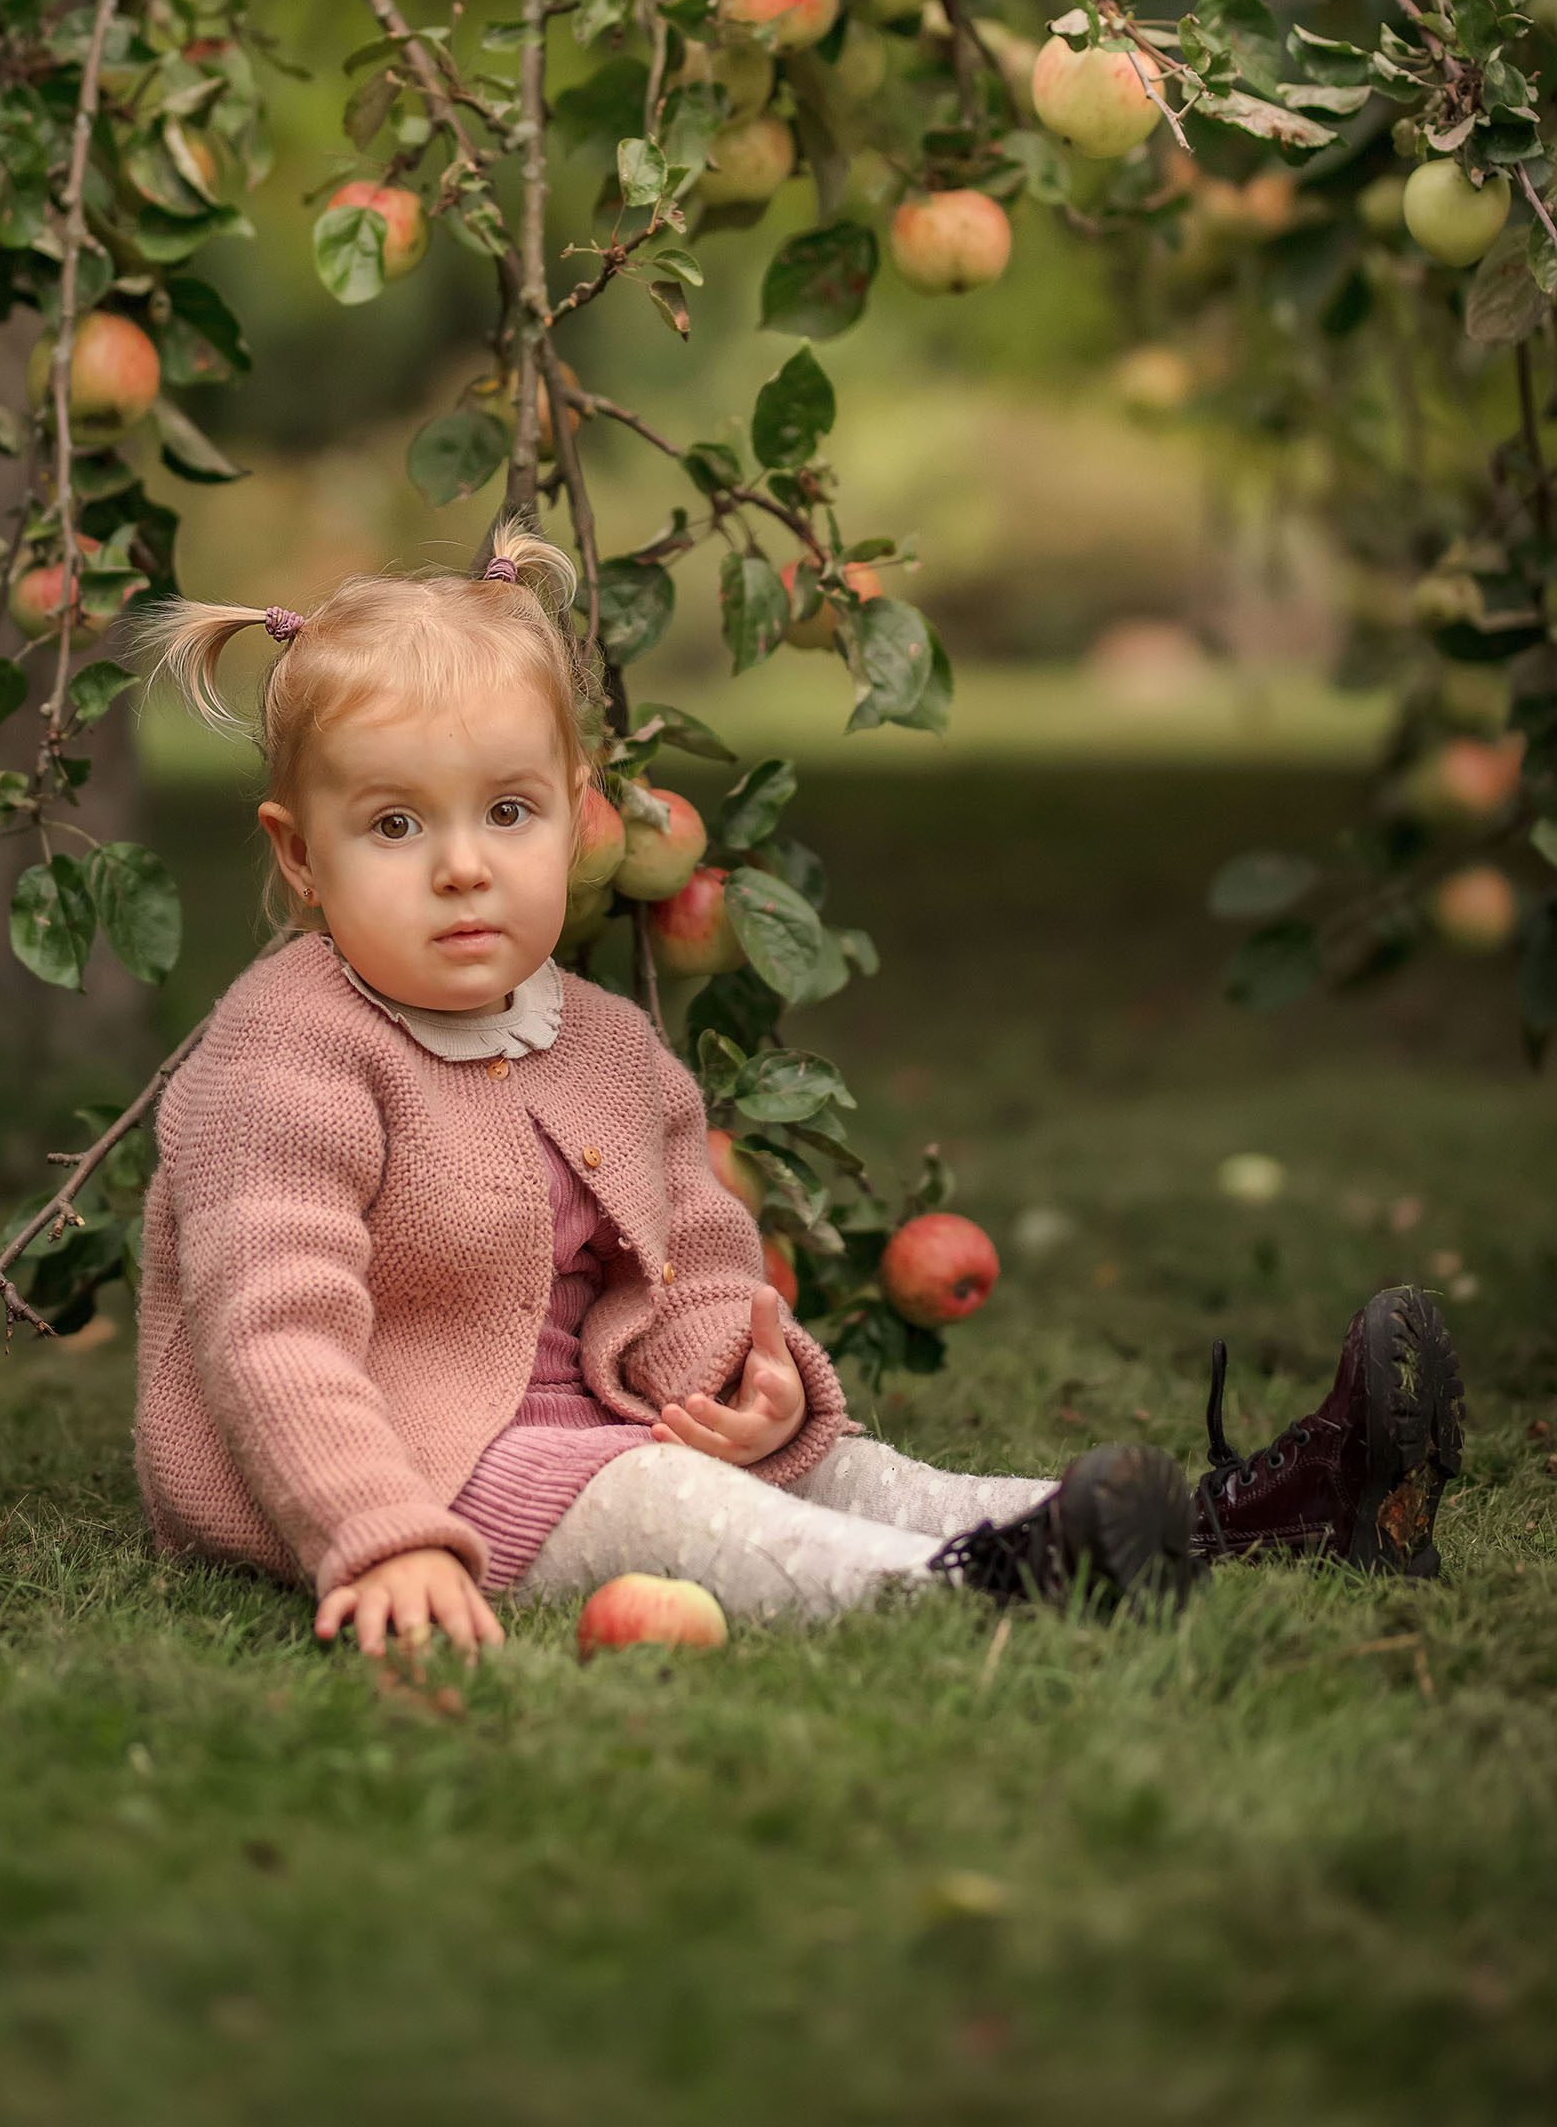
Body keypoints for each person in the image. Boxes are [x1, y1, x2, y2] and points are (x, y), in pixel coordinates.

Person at [132, 526, 1463, 1659]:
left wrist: (751, 1380)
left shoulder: (603, 1042)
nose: (465, 868)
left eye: (510, 813)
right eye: (395, 827)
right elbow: (273, 1334)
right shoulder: (285, 1053)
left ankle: (1263, 1512)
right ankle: (987, 1587)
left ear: (578, 816)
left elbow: (702, 1266)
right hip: (409, 1462)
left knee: (856, 1470)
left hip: (597, 1419)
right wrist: (377, 1536)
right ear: (300, 857)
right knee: (662, 1502)